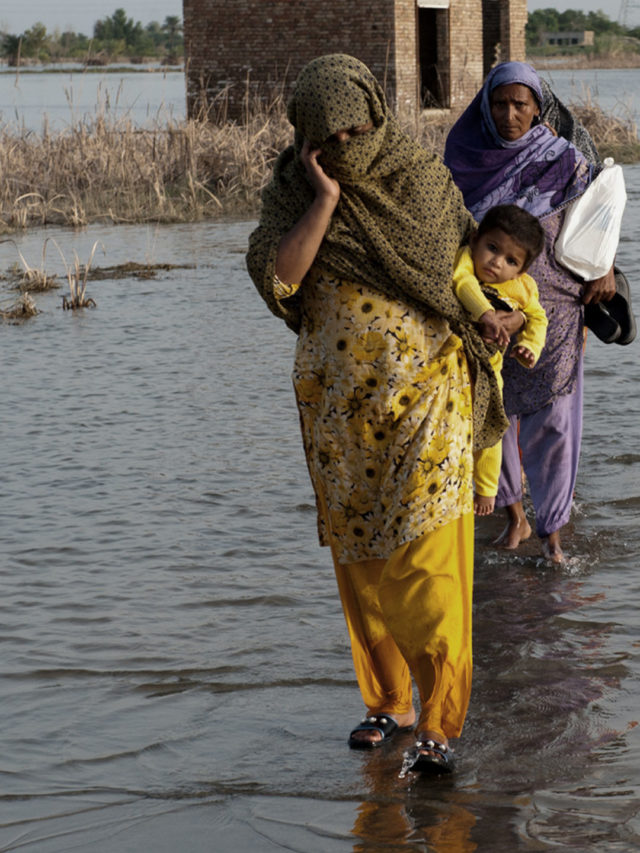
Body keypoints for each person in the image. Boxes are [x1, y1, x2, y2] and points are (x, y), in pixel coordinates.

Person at [246, 54, 508, 774]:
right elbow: (282, 279)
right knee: (363, 565)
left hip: (428, 405)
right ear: (305, 138)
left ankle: (440, 719)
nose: (346, 145)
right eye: (328, 139)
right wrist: (324, 199)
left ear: (376, 113)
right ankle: (388, 700)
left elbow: (462, 273)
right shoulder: (290, 193)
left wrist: (499, 319)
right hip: (338, 420)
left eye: (357, 128)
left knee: (426, 566)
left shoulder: (420, 180)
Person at [445, 61, 616, 564]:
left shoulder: (564, 160)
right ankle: (514, 515)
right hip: (485, 312)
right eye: (500, 103)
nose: (509, 114)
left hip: (555, 313)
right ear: (485, 105)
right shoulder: (461, 157)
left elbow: (595, 225)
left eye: (521, 105)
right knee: (489, 415)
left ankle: (554, 532)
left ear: (539, 111)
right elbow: (449, 237)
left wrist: (605, 268)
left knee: (555, 422)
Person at [453, 204, 548, 516]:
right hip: (453, 363)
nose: (496, 262)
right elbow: (462, 283)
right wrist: (486, 314)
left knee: (491, 428)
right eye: (491, 248)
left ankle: (487, 490)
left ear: (521, 271)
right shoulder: (465, 260)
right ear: (475, 239)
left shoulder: (522, 287)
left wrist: (530, 348)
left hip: (490, 369)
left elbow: (538, 318)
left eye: (511, 260)